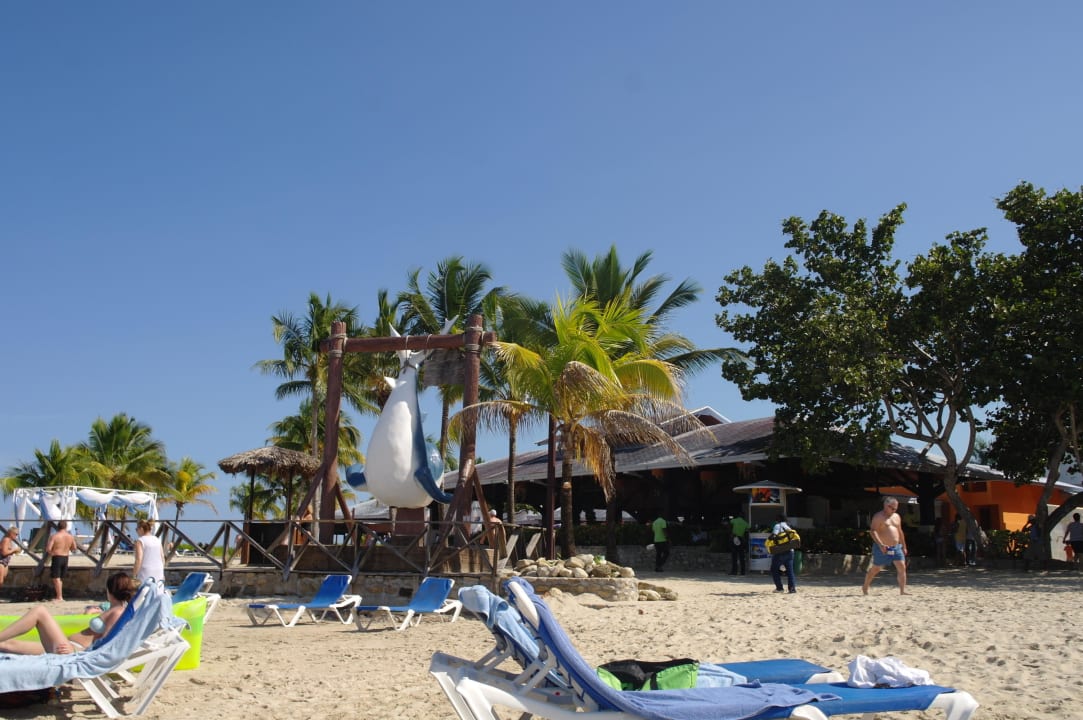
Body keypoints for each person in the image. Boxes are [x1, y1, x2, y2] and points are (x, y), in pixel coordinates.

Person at [0, 571, 136, 655]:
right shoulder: (113, 609)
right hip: (68, 646)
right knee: (10, 645)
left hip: (72, 650)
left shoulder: (118, 612)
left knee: (39, 611)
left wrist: (77, 652)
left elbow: (106, 645)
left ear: (109, 590)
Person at [862, 497, 909, 595]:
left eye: (896, 509)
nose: (894, 511)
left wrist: (904, 546)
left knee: (902, 567)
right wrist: (881, 544)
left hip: (896, 547)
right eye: (893, 508)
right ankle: (865, 587)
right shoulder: (878, 516)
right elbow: (873, 531)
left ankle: (902, 590)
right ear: (886, 506)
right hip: (882, 547)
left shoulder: (896, 516)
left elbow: (900, 531)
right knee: (876, 569)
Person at [44, 520, 79, 602]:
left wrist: (52, 553)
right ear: (66, 527)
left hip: (57, 557)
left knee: (56, 578)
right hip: (65, 557)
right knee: (60, 578)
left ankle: (59, 597)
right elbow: (74, 548)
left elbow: (48, 548)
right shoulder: (70, 536)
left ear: (58, 526)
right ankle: (59, 595)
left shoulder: (55, 536)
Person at [770, 513, 796, 593]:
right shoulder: (788, 527)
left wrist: (770, 539)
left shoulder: (778, 526)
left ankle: (779, 588)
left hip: (780, 551)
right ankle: (792, 589)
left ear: (778, 519)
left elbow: (774, 535)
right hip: (790, 551)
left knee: (774, 569)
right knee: (790, 571)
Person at [133, 519, 165, 584]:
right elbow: (162, 558)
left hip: (146, 571)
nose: (136, 531)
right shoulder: (157, 540)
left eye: (136, 529)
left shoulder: (140, 541)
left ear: (141, 529)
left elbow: (138, 560)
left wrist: (134, 575)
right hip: (159, 570)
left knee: (144, 592)